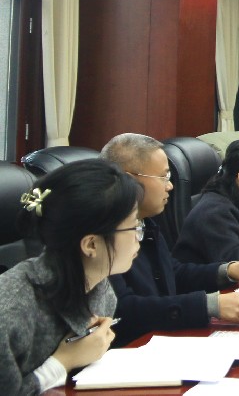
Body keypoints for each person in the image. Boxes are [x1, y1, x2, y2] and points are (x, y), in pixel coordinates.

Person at [102, 133, 239, 347]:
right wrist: (208, 305)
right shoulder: (102, 235)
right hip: (130, 349)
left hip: (162, 337)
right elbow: (123, 309)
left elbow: (173, 273)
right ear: (129, 179)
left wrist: (228, 270)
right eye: (163, 177)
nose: (170, 186)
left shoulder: (145, 222)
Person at [0, 160, 141, 394]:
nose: (139, 236)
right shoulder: (11, 309)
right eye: (134, 226)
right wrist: (63, 362)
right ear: (91, 245)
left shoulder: (100, 287)